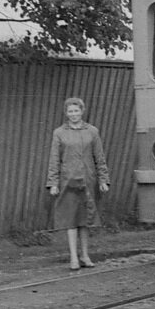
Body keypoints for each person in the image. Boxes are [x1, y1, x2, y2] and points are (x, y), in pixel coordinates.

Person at [46, 97, 110, 269]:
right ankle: (74, 258)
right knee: (71, 220)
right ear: (66, 113)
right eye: (70, 111)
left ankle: (85, 256)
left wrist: (103, 179)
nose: (73, 114)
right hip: (68, 181)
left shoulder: (92, 131)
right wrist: (53, 183)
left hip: (88, 180)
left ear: (82, 111)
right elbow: (54, 159)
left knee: (85, 220)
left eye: (76, 111)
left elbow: (100, 157)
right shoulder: (59, 133)